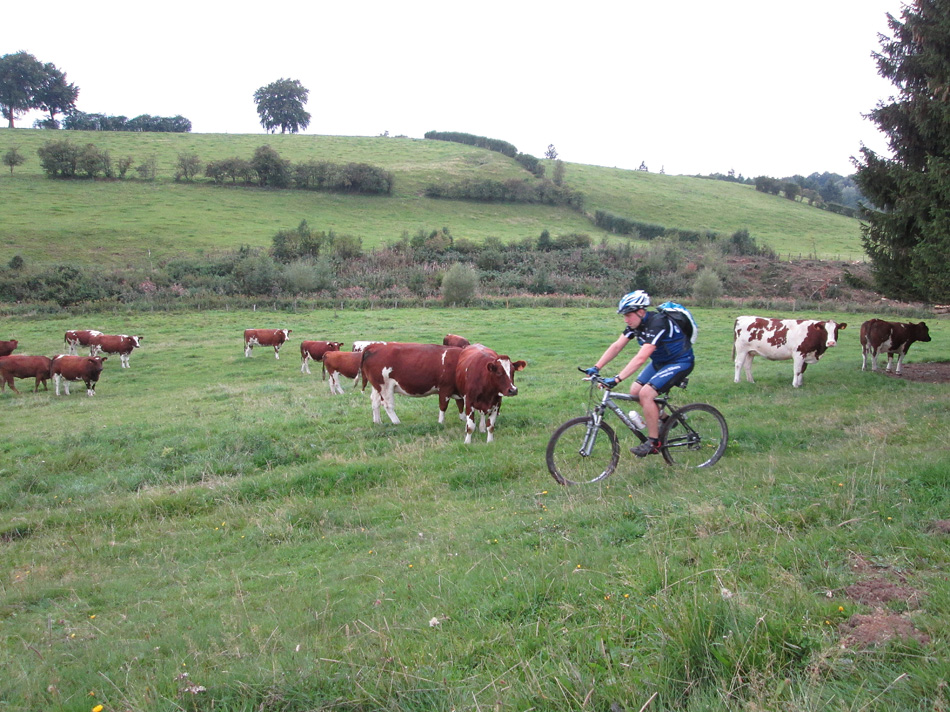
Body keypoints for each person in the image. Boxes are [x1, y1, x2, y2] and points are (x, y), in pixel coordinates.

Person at [583, 290, 695, 457]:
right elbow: (616, 346)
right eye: (624, 316)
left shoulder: (658, 323)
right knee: (635, 391)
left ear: (641, 311)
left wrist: (617, 378)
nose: (626, 319)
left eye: (629, 315)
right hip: (660, 363)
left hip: (680, 361)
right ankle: (666, 419)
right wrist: (596, 367)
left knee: (646, 394)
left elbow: (641, 357)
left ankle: (653, 442)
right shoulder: (636, 325)